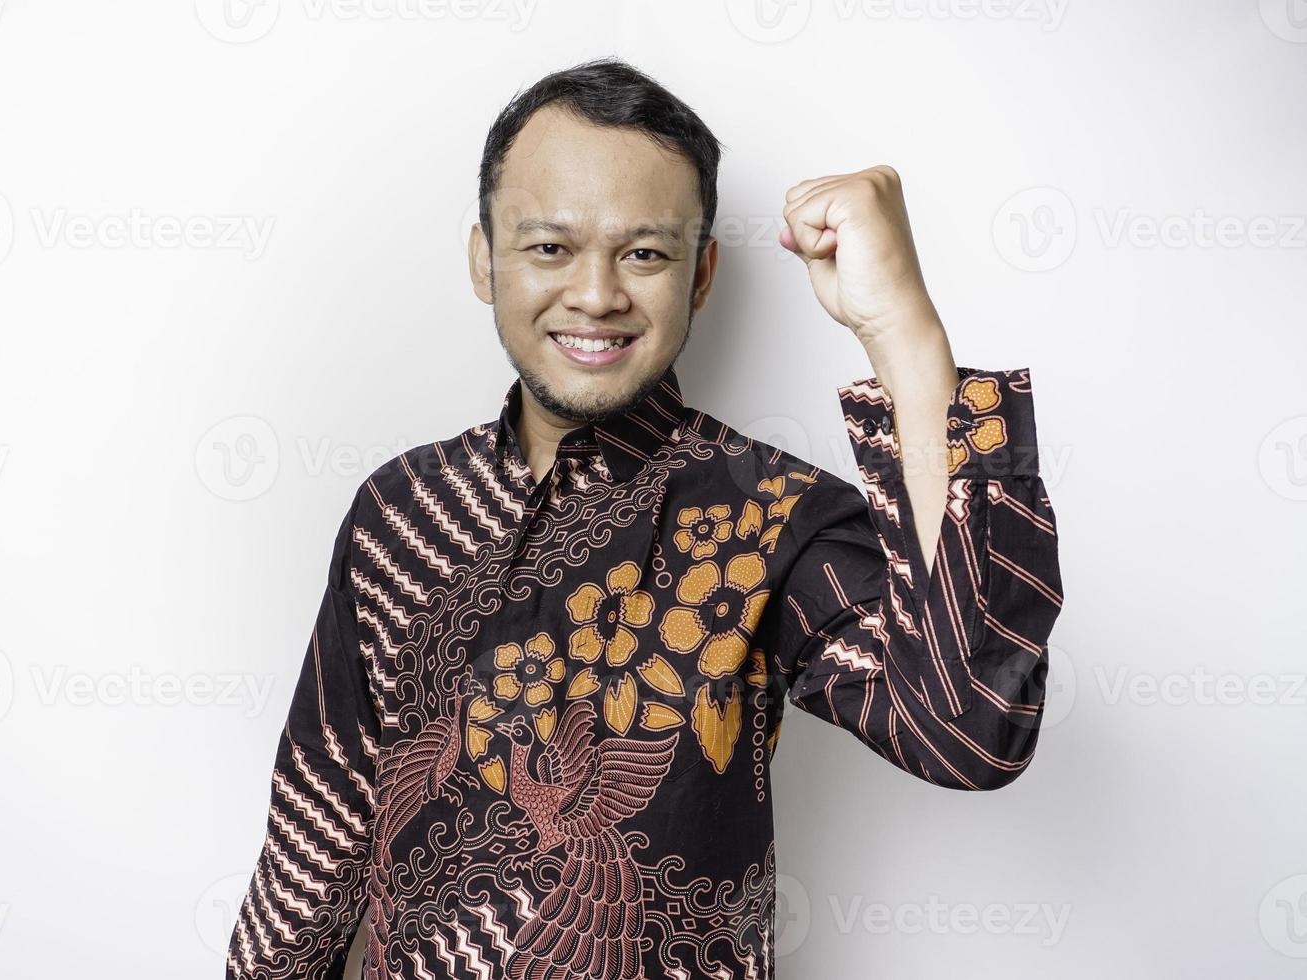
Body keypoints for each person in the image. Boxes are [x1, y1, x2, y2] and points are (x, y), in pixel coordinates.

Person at [225, 56, 1063, 980]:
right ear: (483, 258)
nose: (596, 294)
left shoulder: (770, 517)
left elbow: (968, 725)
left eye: (644, 253)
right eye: (549, 246)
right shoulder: (402, 510)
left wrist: (899, 323)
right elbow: (315, 837)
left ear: (701, 274)